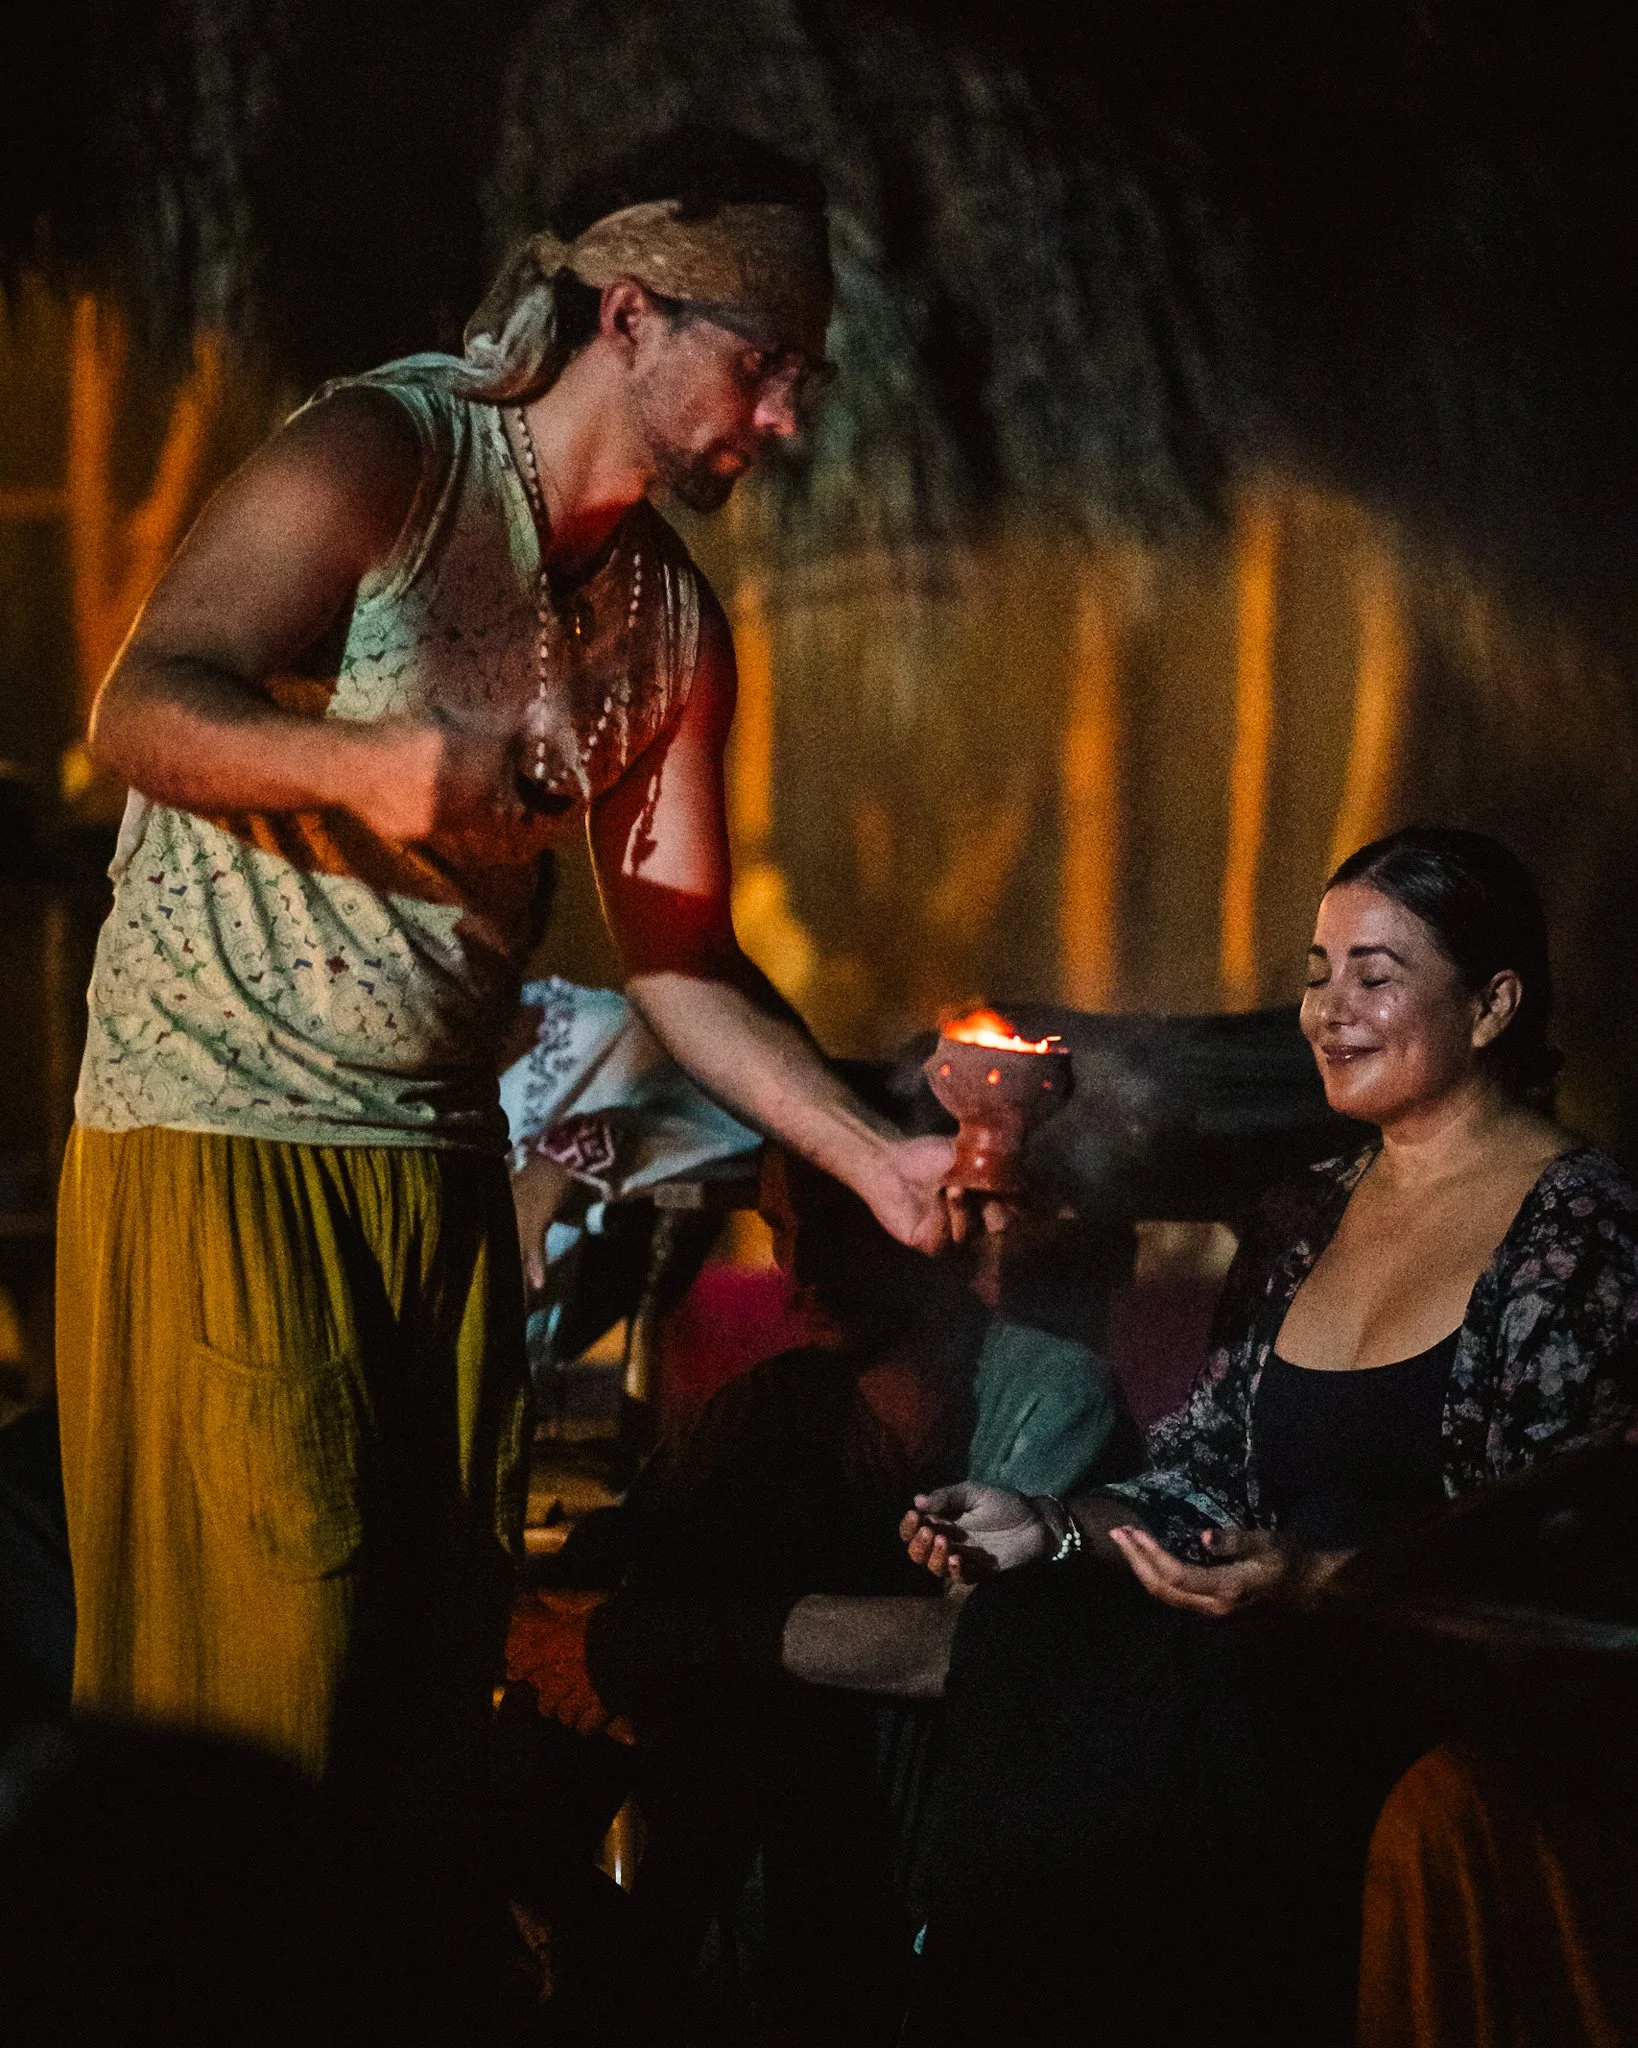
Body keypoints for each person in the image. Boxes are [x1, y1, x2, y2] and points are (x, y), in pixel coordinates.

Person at [54, 127, 952, 2031]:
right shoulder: (389, 453)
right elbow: (142, 703)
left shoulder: (663, 622)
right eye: (762, 359)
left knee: (414, 1697)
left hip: (435, 1167)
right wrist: (362, 770)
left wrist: (870, 1157)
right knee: (262, 1685)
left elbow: (682, 965)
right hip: (219, 1137)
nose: (783, 416)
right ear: (629, 316)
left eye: (805, 375)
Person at [894, 827, 1638, 2044]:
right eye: (1317, 970)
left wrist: (1315, 1578)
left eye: (1376, 974)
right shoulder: (1306, 1213)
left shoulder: (1580, 1236)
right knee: (1033, 1626)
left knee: (1214, 1699)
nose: (1330, 1010)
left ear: (1494, 1002)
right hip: (1266, 1647)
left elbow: (1550, 1561)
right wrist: (1055, 1527)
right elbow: (1204, 1471)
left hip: (1425, 1689)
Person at [500, 1140, 1140, 2042]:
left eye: (839, 1224)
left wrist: (664, 1642)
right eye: (780, 1230)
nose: (801, 1267)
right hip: (748, 1884)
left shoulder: (1049, 1390)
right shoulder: (768, 1405)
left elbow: (967, 1650)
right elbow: (603, 1602)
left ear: (926, 1214)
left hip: (949, 1884)